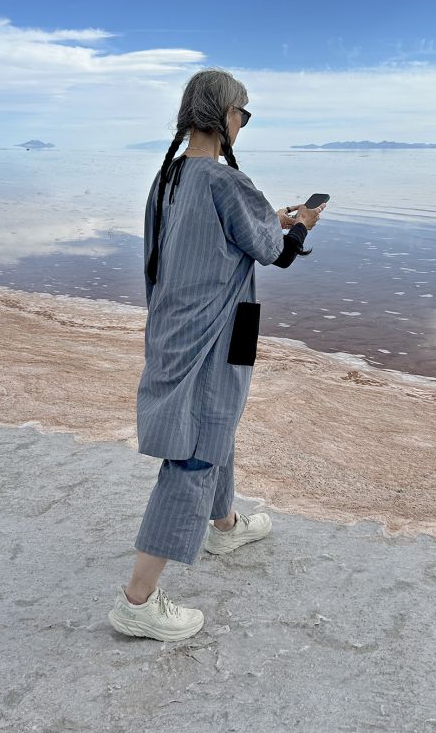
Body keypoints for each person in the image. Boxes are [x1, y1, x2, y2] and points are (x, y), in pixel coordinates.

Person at [107, 68, 325, 641]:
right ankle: (138, 601)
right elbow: (278, 255)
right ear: (226, 115)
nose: (244, 124)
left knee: (217, 423)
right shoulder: (227, 181)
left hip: (187, 326)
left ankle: (225, 525)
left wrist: (272, 219)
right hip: (214, 334)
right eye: (243, 114)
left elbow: (219, 236)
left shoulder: (170, 177)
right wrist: (301, 226)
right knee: (195, 453)